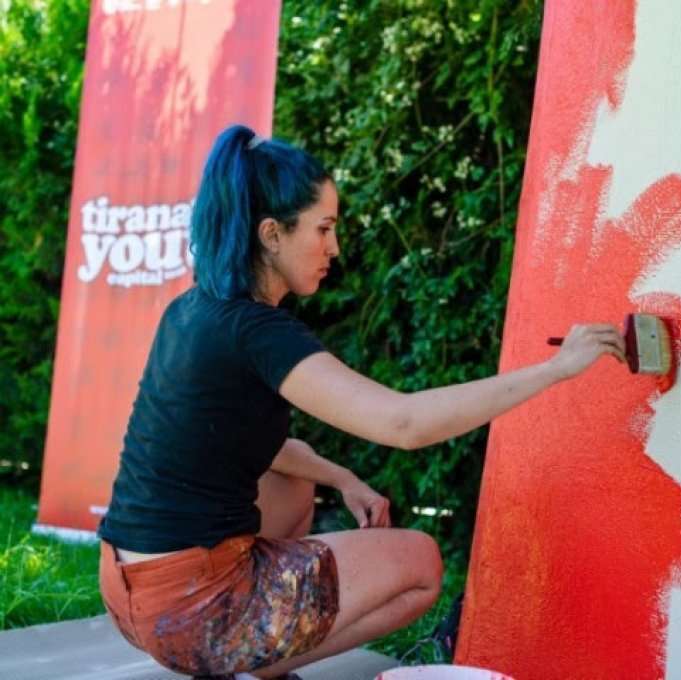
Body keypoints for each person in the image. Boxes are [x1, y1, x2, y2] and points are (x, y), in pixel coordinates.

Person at [97, 124, 626, 680]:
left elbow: (257, 446)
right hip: (196, 609)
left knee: (297, 481)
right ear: (272, 234)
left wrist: (344, 478)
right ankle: (255, 665)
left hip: (127, 586)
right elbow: (404, 423)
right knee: (422, 563)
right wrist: (557, 369)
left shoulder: (193, 310)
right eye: (323, 229)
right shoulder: (259, 332)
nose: (335, 248)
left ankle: (250, 655)